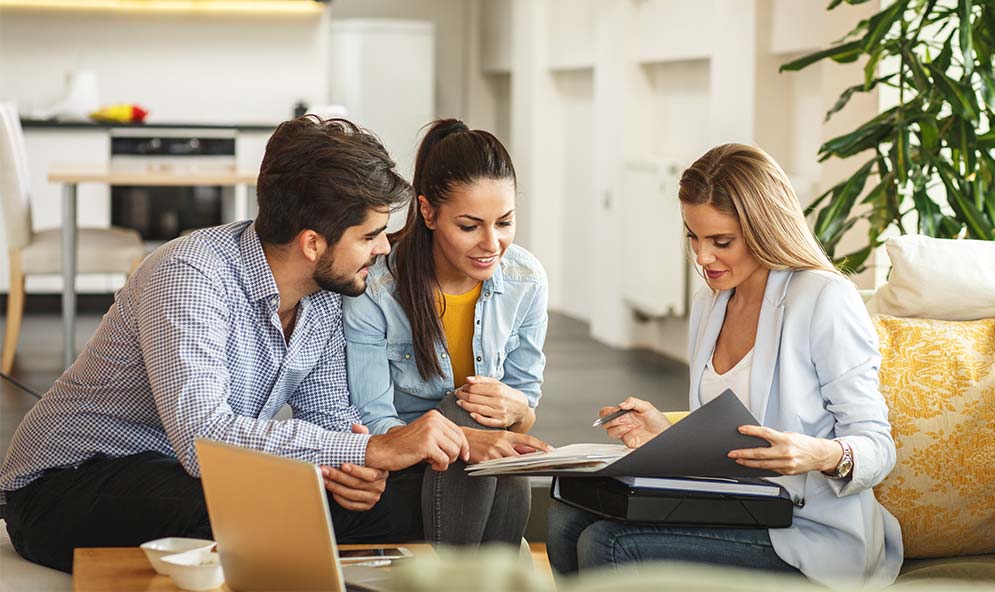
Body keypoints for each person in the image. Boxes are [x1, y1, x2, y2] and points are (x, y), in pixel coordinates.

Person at [0, 116, 472, 573]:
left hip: (190, 476)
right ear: (312, 243)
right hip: (65, 484)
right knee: (251, 509)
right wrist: (371, 452)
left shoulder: (327, 295)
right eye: (369, 236)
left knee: (402, 507)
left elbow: (328, 423)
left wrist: (354, 471)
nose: (384, 248)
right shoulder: (190, 275)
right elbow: (202, 438)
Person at [547, 144, 902, 586]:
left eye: (721, 242)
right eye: (693, 236)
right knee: (566, 518)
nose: (702, 257)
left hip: (808, 531)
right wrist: (666, 433)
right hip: (736, 508)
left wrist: (818, 454)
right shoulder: (711, 303)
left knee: (609, 543)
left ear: (765, 229)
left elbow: (878, 448)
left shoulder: (824, 299)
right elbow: (730, 434)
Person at [343, 119, 550, 547]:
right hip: (405, 465)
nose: (492, 243)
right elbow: (374, 421)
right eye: (470, 227)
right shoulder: (377, 288)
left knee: (491, 435)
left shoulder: (526, 280)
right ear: (428, 212)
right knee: (461, 411)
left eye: (505, 223)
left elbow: (524, 413)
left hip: (481, 469)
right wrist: (465, 438)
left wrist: (516, 409)